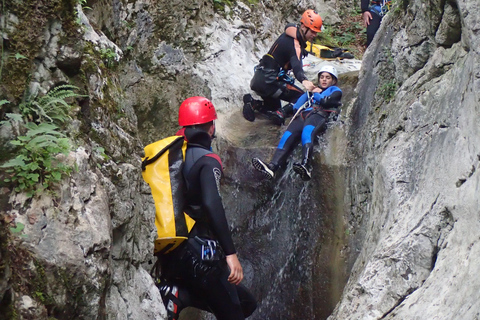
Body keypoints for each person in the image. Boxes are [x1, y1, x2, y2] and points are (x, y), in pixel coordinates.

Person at [158, 96, 257, 320]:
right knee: (235, 313)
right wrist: (230, 254)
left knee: (247, 303)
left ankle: (180, 295)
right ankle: (179, 295)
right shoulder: (207, 160)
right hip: (201, 255)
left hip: (173, 254)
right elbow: (213, 205)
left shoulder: (174, 155)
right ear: (211, 126)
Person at [251, 65, 342, 181]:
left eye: (328, 78)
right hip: (304, 115)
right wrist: (307, 94)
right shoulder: (311, 92)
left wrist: (315, 92)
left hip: (319, 114)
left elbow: (325, 102)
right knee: (287, 136)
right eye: (322, 77)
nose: (324, 80)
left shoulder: (335, 91)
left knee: (307, 133)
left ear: (333, 80)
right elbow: (297, 106)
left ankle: (306, 165)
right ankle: (272, 166)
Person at [243, 9, 324, 125]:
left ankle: (252, 103)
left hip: (259, 78)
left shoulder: (289, 34)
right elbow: (297, 68)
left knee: (271, 108)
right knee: (303, 98)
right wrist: (304, 81)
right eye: (312, 31)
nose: (314, 35)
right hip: (270, 82)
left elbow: (289, 28)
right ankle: (281, 113)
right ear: (303, 27)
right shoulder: (295, 44)